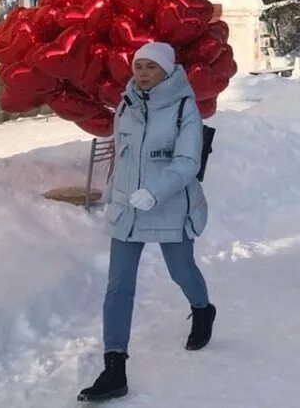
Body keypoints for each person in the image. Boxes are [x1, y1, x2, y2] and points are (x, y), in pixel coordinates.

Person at [79, 42, 214, 403]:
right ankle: (114, 367)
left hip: (169, 204)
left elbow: (188, 162)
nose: (141, 73)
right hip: (129, 207)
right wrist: (113, 193)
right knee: (118, 286)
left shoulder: (185, 107)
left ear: (166, 71)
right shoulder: (126, 104)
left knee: (181, 270)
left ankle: (202, 309)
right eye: (138, 66)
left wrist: (154, 192)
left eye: (150, 67)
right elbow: (123, 155)